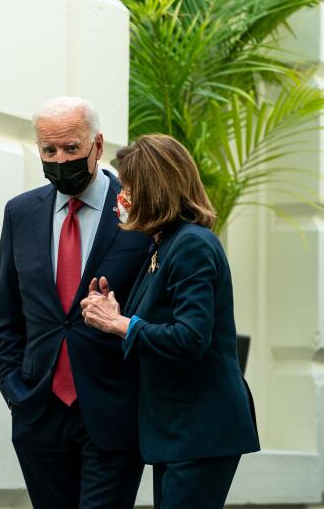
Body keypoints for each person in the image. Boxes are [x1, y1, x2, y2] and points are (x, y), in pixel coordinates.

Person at [80, 134, 260, 509]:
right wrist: (113, 311)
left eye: (128, 188)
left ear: (151, 190)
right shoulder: (164, 244)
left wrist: (120, 324)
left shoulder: (192, 245)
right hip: (177, 430)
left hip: (200, 428)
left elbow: (190, 337)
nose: (121, 198)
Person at [0, 96, 151, 509]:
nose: (59, 159)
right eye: (49, 150)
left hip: (112, 412)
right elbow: (9, 317)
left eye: (71, 148)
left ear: (97, 146)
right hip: (39, 411)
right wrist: (15, 391)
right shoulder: (20, 213)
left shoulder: (142, 211)